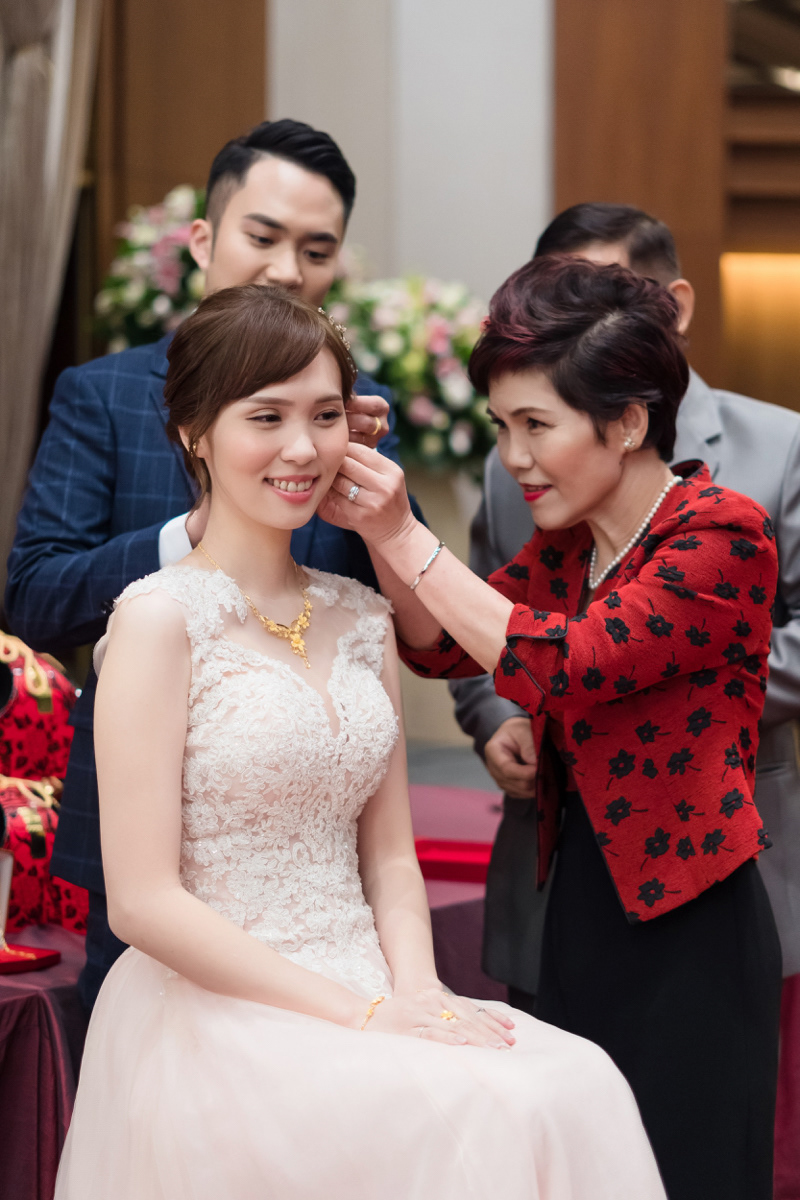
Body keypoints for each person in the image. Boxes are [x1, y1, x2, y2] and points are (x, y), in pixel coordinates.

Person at [54, 284, 665, 1200]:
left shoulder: (363, 614)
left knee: (579, 1085)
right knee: (483, 1116)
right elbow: (142, 904)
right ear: (193, 433)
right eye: (267, 417)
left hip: (374, 978)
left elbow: (389, 860)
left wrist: (416, 992)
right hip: (218, 1005)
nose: (304, 449)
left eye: (326, 415)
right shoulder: (156, 620)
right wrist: (360, 1015)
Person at [319, 255, 782, 1200]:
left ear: (629, 421)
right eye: (502, 427)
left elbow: (564, 665)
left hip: (692, 923)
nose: (513, 456)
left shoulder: (718, 534)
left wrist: (407, 534)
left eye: (536, 425)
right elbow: (441, 646)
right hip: (576, 904)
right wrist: (373, 525)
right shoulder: (569, 546)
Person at [5, 118, 412, 1012]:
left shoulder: (353, 415)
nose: (285, 269)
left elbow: (411, 634)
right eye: (262, 236)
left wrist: (385, 515)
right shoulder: (104, 393)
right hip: (148, 845)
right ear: (203, 239)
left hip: (320, 858)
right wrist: (201, 528)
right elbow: (32, 597)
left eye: (316, 249)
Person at [451, 203, 800, 1012]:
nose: (518, 451)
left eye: (606, 297)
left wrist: (665, 689)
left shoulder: (775, 452)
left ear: (671, 306)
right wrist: (494, 718)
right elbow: (474, 615)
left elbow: (576, 658)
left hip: (702, 856)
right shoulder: (518, 469)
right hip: (554, 868)